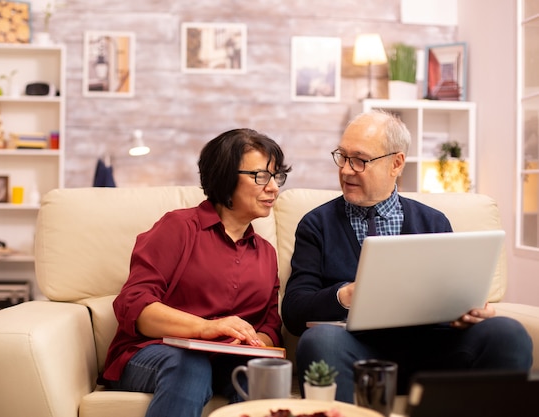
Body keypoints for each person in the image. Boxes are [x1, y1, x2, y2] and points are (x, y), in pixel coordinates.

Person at [281, 110, 533, 403]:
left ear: (396, 163)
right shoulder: (316, 225)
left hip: (434, 351)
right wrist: (346, 295)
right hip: (358, 352)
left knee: (507, 332)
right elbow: (294, 312)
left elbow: (454, 296)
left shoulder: (433, 222)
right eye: (342, 156)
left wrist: (470, 312)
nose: (346, 169)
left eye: (360, 160)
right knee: (319, 341)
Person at [101, 128, 291, 417]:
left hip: (227, 360)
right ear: (226, 178)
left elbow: (269, 327)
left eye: (276, 176)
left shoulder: (265, 253)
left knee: (261, 373)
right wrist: (206, 328)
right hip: (154, 353)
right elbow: (134, 304)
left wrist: (252, 342)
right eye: (260, 176)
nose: (274, 187)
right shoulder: (178, 228)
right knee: (191, 363)